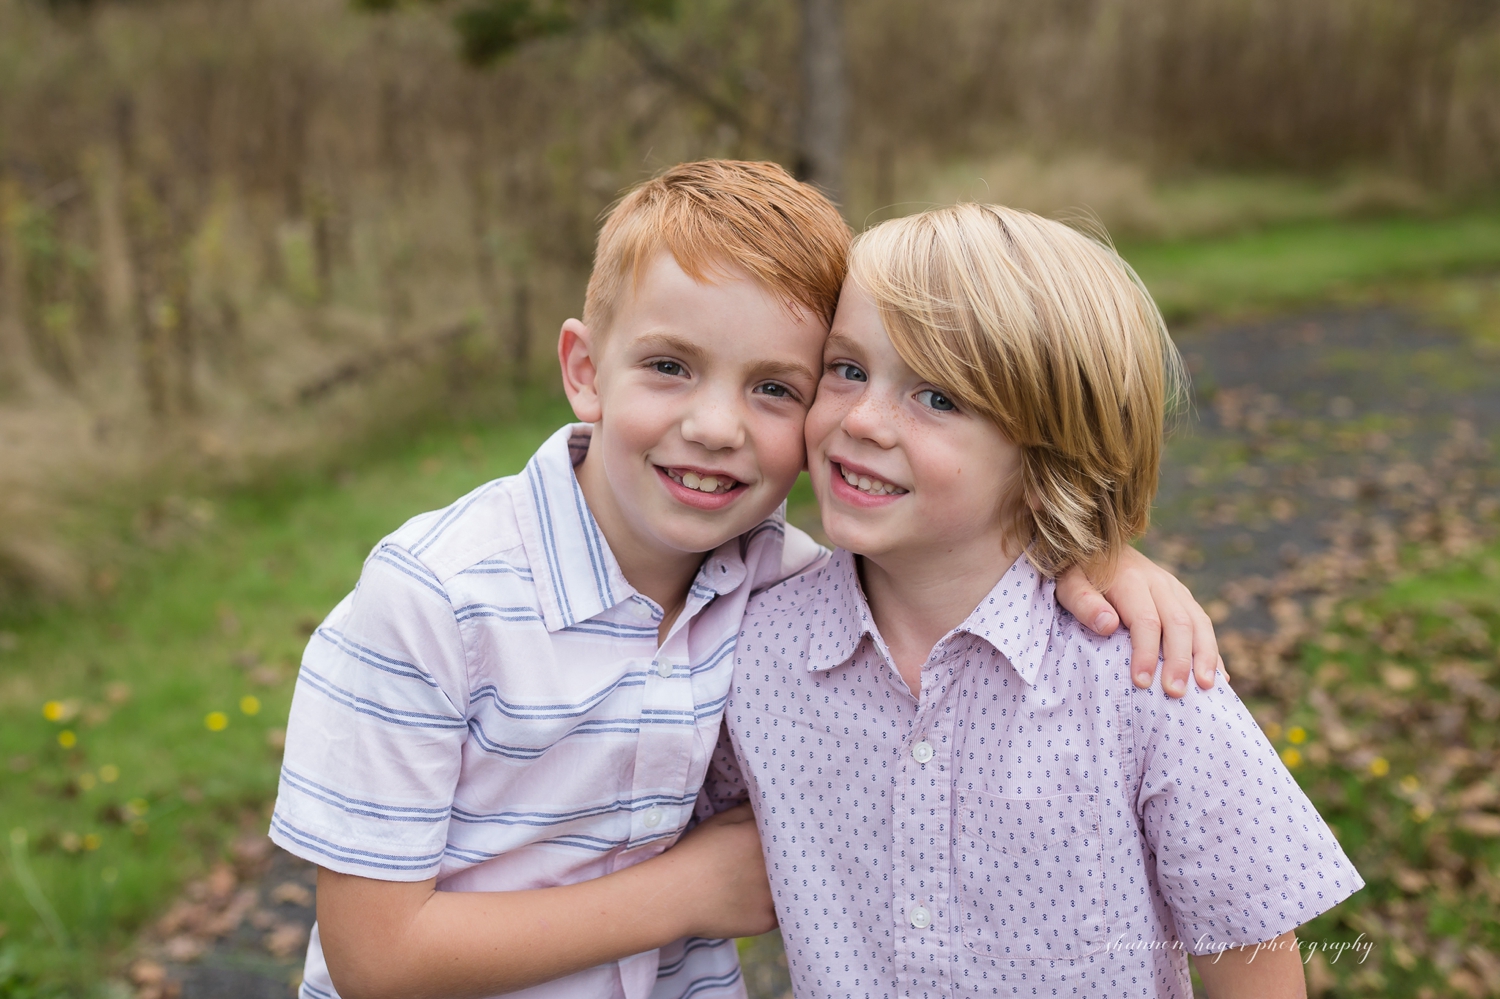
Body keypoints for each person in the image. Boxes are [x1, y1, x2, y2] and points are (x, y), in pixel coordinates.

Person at [270, 162, 1221, 999]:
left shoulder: (789, 593)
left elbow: (956, 559)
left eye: (776, 387)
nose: (718, 426)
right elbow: (377, 958)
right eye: (670, 367)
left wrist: (1099, 557)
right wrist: (687, 890)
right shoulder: (434, 602)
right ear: (584, 369)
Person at [720, 203, 1363, 998]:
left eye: (938, 398)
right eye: (847, 368)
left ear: (1049, 449)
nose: (861, 419)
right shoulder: (755, 652)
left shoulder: (1144, 675)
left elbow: (1252, 959)